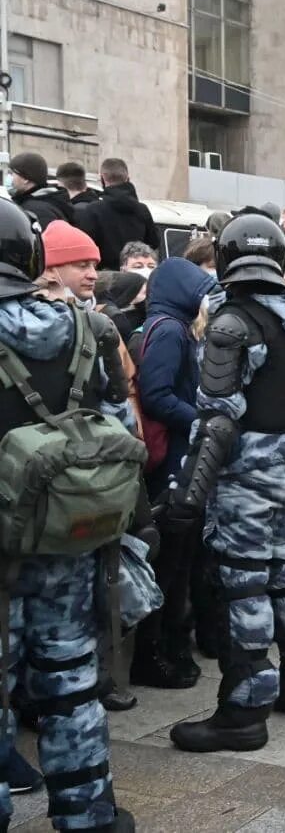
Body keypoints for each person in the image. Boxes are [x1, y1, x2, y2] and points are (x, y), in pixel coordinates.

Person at [166, 214, 285, 752]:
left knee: (244, 586)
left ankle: (243, 711)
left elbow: (217, 418)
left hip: (246, 474)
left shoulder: (230, 323)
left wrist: (187, 497)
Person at [0, 198, 136, 831]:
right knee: (71, 680)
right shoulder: (87, 328)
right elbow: (122, 426)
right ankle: (88, 812)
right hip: (66, 535)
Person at [131, 257, 218, 688]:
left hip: (177, 459)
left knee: (178, 562)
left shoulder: (172, 327)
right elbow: (157, 394)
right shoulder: (170, 331)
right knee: (170, 564)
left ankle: (169, 648)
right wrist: (202, 419)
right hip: (173, 465)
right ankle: (156, 654)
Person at [77, 158, 162, 271]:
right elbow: (154, 243)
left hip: (105, 278)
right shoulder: (142, 210)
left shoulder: (94, 210)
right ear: (127, 178)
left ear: (102, 178)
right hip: (135, 277)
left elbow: (85, 248)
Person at [8, 152, 77, 230]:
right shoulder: (47, 201)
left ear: (25, 178)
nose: (9, 178)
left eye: (12, 173)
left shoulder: (37, 211)